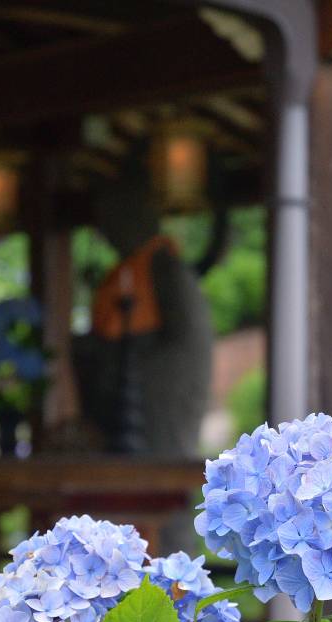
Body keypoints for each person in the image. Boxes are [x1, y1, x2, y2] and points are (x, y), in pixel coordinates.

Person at [73, 152, 213, 458]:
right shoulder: (122, 275)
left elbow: (187, 346)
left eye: (113, 219)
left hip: (155, 411)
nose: (107, 231)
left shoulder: (167, 271)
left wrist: (115, 359)